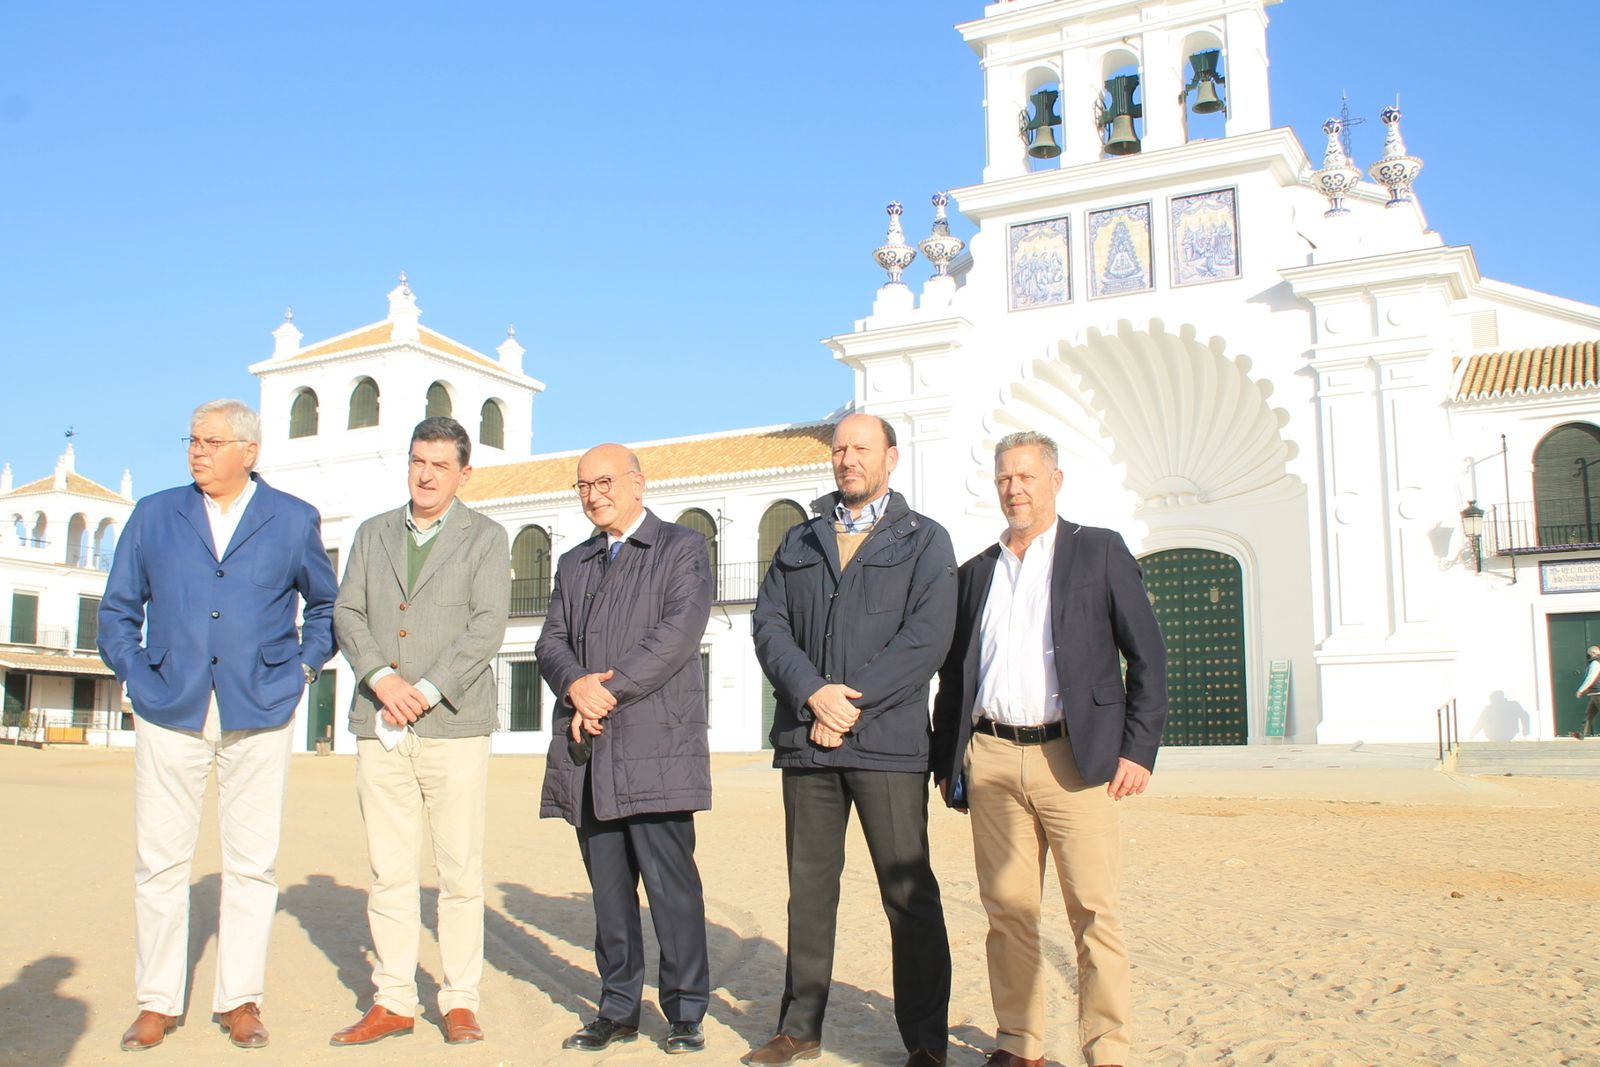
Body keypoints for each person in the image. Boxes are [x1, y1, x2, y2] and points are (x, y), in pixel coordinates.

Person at [98, 398, 338, 1052]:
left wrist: (303, 671)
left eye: (213, 440)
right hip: (169, 707)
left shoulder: (291, 519)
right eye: (193, 439)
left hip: (258, 708)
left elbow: (326, 606)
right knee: (159, 861)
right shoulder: (154, 515)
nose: (198, 450)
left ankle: (240, 999)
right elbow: (117, 609)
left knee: (252, 863)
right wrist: (136, 675)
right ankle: (156, 1001)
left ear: (249, 451)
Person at [931, 430, 1168, 1067]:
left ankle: (1107, 1047)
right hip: (994, 760)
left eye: (1027, 476)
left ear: (1055, 481)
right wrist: (948, 763)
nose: (1014, 489)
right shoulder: (977, 571)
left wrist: (1138, 750)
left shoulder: (1100, 552)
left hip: (1076, 760)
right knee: (1007, 911)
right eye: (1006, 478)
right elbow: (956, 675)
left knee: (1093, 909)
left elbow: (1146, 654)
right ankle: (1018, 1043)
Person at [747, 413, 956, 1067]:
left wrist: (847, 704)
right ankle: (799, 1027)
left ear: (891, 457)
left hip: (888, 746)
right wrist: (813, 693)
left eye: (861, 448)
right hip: (807, 745)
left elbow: (926, 639)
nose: (847, 459)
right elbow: (768, 625)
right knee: (809, 891)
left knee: (908, 892)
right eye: (839, 449)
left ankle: (925, 1039)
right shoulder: (799, 540)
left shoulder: (925, 540)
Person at [328, 416, 509, 1048]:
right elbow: (346, 610)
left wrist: (424, 690)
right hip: (377, 722)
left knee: (459, 870)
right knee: (389, 870)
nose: (425, 474)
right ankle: (394, 1000)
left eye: (439, 464)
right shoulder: (371, 533)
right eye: (417, 461)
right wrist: (381, 679)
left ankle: (459, 1000)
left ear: (463, 473)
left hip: (455, 726)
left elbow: (487, 628)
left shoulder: (487, 538)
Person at [537, 443, 714, 1056]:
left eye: (605, 482)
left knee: (672, 889)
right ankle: (617, 1009)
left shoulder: (682, 548)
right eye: (583, 485)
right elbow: (550, 639)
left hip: (656, 746)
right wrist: (574, 684)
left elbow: (677, 635)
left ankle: (686, 1010)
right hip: (589, 754)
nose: (594, 494)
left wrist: (603, 692)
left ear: (638, 484)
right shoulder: (573, 562)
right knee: (609, 892)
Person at [1574, 645, 1600, 740]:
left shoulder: (1595, 663)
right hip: (1595, 693)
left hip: (1598, 692)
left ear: (1593, 653)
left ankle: (1582, 734)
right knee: (1589, 714)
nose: (1587, 655)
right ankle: (1582, 734)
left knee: (1589, 714)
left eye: (1588, 654)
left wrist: (1581, 690)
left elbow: (1591, 677)